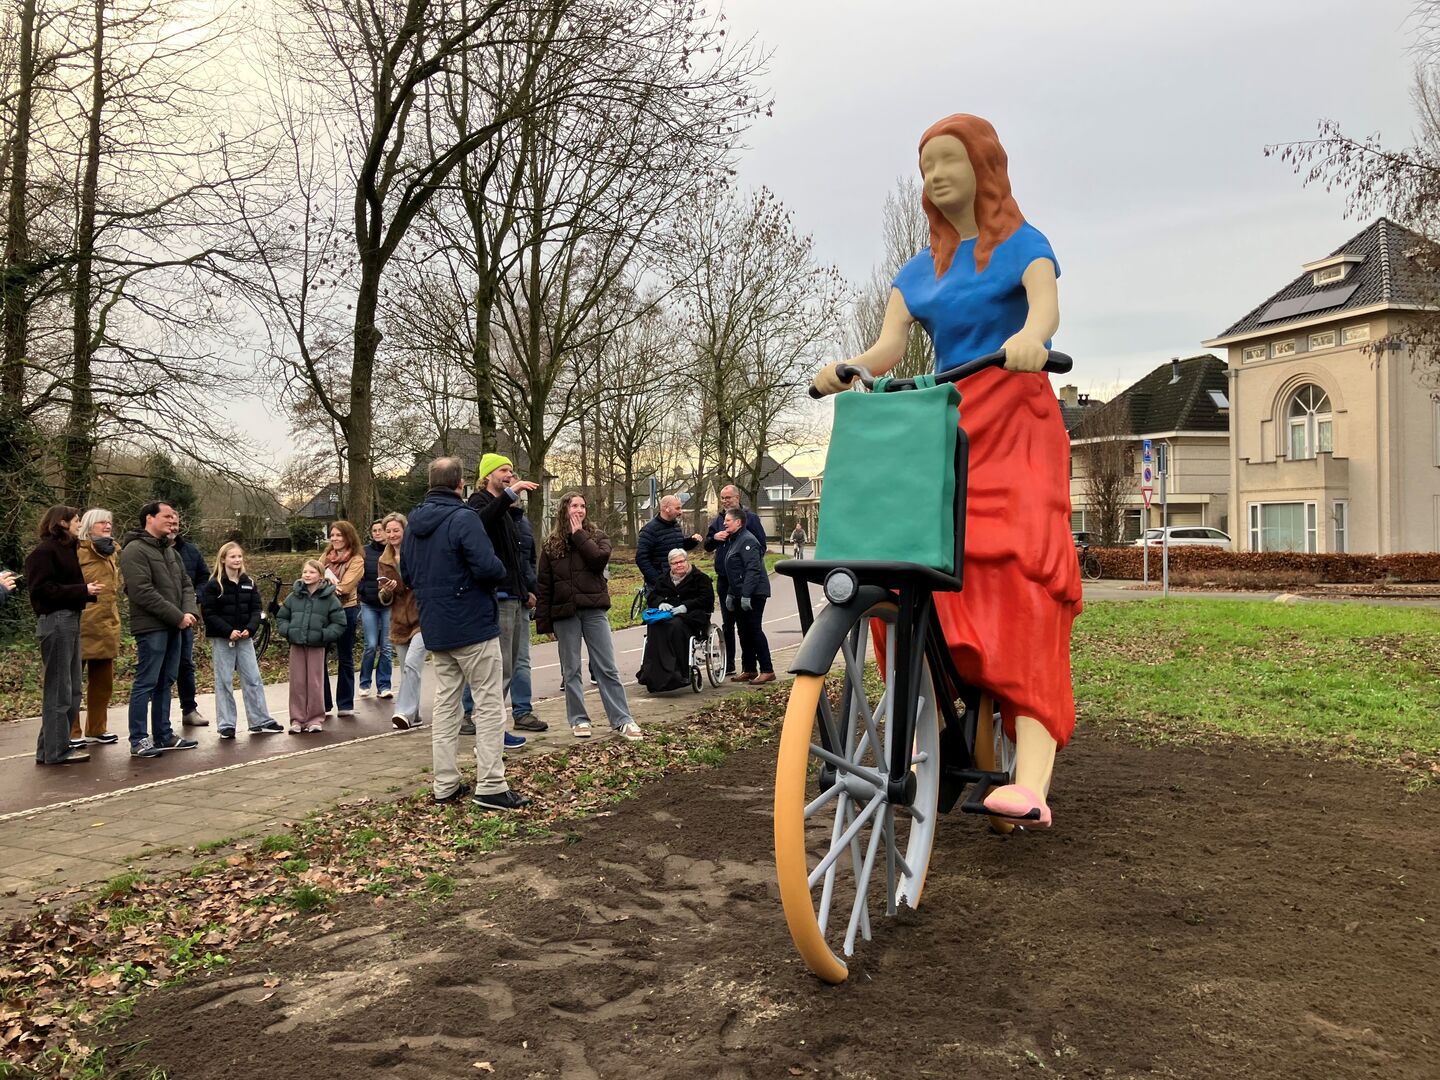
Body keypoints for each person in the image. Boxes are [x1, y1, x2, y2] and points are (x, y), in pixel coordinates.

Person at [812, 113, 1081, 828]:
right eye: (926, 162)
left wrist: (1028, 337)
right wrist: (848, 369)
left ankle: (1029, 776)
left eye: (949, 159)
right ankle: (933, 718)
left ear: (984, 166)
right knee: (912, 568)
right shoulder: (918, 270)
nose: (935, 173)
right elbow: (887, 348)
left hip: (1015, 424)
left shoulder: (1027, 247)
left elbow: (1046, 309)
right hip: (945, 425)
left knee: (1019, 580)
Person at [402, 457, 530, 811]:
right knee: (489, 705)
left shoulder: (414, 525)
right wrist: (499, 569)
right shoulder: (464, 518)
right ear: (460, 484)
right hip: (473, 623)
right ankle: (491, 784)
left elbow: (408, 575)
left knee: (446, 705)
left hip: (436, 627)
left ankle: (445, 782)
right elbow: (488, 567)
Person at [536, 492, 641, 741]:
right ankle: (579, 719)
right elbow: (544, 585)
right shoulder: (551, 545)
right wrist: (545, 622)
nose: (579, 510)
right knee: (570, 670)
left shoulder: (598, 537)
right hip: (565, 614)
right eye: (574, 506)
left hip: (594, 610)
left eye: (583, 506)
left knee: (607, 667)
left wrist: (579, 535)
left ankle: (622, 719)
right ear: (564, 510)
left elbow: (597, 559)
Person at [465, 453, 544, 736]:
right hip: (497, 597)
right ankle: (488, 725)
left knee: (512, 664)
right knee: (497, 667)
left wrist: (527, 590)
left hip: (515, 595)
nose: (510, 474)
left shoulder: (509, 513)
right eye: (503, 470)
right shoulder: (478, 503)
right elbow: (481, 523)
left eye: (511, 470)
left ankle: (500, 721)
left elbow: (518, 557)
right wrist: (512, 491)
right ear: (487, 476)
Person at [120, 501, 200, 758]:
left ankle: (163, 734)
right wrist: (177, 616)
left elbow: (187, 584)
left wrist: (188, 612)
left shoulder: (171, 551)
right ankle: (139, 739)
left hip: (176, 626)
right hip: (152, 627)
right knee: (146, 682)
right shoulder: (134, 550)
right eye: (167, 516)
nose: (173, 521)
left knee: (166, 681)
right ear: (149, 518)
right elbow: (142, 592)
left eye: (174, 517)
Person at [25, 506, 101, 765]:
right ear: (62, 522)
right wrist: (83, 590)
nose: (80, 524)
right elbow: (41, 591)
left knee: (72, 690)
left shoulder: (67, 550)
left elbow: (61, 587)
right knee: (59, 689)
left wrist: (86, 592)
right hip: (56, 621)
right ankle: (56, 751)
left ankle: (49, 749)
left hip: (71, 619)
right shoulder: (44, 552)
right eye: (77, 520)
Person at [198, 542, 284, 738]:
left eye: (239, 557)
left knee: (253, 678)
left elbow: (256, 610)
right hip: (223, 640)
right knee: (224, 681)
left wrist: (249, 629)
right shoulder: (214, 585)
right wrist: (229, 631)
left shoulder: (249, 582)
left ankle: (260, 720)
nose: (237, 560)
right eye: (232, 557)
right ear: (223, 559)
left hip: (245, 640)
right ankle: (226, 724)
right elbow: (209, 613)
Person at [274, 559, 347, 733]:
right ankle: (297, 719)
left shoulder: (330, 598)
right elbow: (281, 617)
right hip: (297, 645)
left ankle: (315, 719)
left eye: (312, 572)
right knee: (297, 682)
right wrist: (289, 631)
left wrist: (323, 635)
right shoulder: (294, 596)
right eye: (305, 572)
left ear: (321, 576)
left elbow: (339, 623)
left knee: (315, 682)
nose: (307, 575)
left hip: (317, 646)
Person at [703, 484, 765, 676]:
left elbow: (760, 546)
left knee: (747, 625)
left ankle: (751, 666)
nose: (725, 501)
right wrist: (715, 538)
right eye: (722, 498)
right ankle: (729, 664)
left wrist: (747, 571)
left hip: (744, 580)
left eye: (728, 497)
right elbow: (707, 546)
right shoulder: (718, 521)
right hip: (724, 579)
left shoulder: (750, 519)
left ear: (737, 497)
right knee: (727, 623)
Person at [636, 548, 715, 694]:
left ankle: (679, 673)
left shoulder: (700, 578)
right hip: (667, 615)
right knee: (655, 627)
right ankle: (653, 674)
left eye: (681, 561)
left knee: (674, 626)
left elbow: (707, 600)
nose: (679, 565)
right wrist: (660, 603)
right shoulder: (663, 579)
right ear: (670, 565)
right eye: (674, 563)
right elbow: (652, 596)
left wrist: (686, 606)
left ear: (687, 561)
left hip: (691, 617)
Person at [75, 508, 122, 745]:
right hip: (81, 624)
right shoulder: (77, 551)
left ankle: (96, 728)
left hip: (106, 624)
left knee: (103, 683)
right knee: (72, 682)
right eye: (102, 522)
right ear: (88, 525)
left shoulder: (112, 552)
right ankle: (71, 732)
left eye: (110, 522)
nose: (107, 526)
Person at [378, 513, 424, 730]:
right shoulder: (383, 560)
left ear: (405, 531)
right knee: (406, 667)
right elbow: (384, 598)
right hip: (398, 620)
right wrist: (387, 591)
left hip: (421, 618)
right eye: (388, 531)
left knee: (413, 664)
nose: (392, 534)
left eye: (396, 530)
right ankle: (414, 714)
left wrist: (405, 584)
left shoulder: (417, 552)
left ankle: (402, 712)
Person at [720, 507, 774, 684]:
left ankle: (767, 669)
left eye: (728, 520)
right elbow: (733, 571)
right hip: (740, 593)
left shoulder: (748, 541)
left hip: (755, 593)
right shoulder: (734, 540)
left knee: (754, 629)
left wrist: (746, 595)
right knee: (743, 630)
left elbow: (753, 570)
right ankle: (749, 669)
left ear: (738, 522)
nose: (724, 523)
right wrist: (730, 593)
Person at [320, 520, 364, 718]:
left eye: (339, 535)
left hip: (346, 610)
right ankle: (323, 703)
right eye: (333, 535)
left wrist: (325, 585)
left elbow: (345, 588)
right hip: (323, 612)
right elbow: (311, 577)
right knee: (320, 657)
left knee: (344, 657)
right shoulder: (326, 557)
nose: (335, 539)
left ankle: (345, 703)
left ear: (348, 537)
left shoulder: (356, 560)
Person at [172, 516, 210, 728]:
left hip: (186, 616)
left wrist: (196, 596)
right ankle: (156, 721)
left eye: (176, 522)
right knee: (159, 669)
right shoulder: (147, 550)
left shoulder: (191, 551)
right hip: (160, 618)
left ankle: (189, 709)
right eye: (168, 520)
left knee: (185, 664)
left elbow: (204, 577)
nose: (173, 526)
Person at [508, 499, 540, 731]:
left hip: (521, 597)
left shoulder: (524, 522)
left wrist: (532, 589)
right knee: (489, 663)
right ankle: (470, 714)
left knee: (521, 659)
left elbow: (529, 560)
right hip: (498, 598)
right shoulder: (489, 518)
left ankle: (522, 711)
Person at [635, 495, 703, 601]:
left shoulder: (675, 526)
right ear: (666, 508)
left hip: (678, 580)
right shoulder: (649, 530)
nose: (680, 512)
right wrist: (658, 580)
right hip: (659, 586)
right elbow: (641, 558)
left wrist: (692, 541)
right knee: (662, 615)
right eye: (677, 508)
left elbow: (677, 547)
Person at [357, 520, 393, 701]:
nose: (378, 533)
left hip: (388, 605)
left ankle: (384, 685)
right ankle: (364, 682)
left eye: (381, 530)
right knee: (371, 645)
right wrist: (362, 590)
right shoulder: (364, 551)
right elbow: (358, 574)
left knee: (386, 647)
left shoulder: (393, 551)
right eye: (375, 530)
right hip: (368, 604)